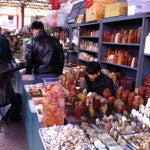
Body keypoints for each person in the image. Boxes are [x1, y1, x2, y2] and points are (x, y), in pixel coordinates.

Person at [0, 36, 26, 123]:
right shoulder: (2, 67)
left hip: (3, 93)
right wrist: (24, 63)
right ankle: (10, 118)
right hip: (2, 96)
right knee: (17, 98)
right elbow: (13, 67)